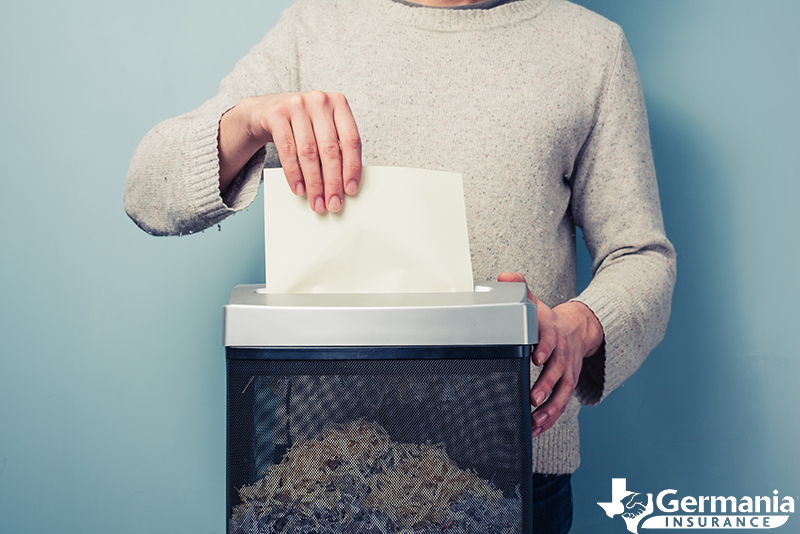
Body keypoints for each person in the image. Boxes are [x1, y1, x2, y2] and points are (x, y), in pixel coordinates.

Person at [124, 0, 676, 531]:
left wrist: (580, 326)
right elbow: (146, 192)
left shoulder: (591, 48)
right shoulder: (311, 29)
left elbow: (641, 257)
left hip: (514, 471)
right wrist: (247, 121)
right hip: (321, 475)